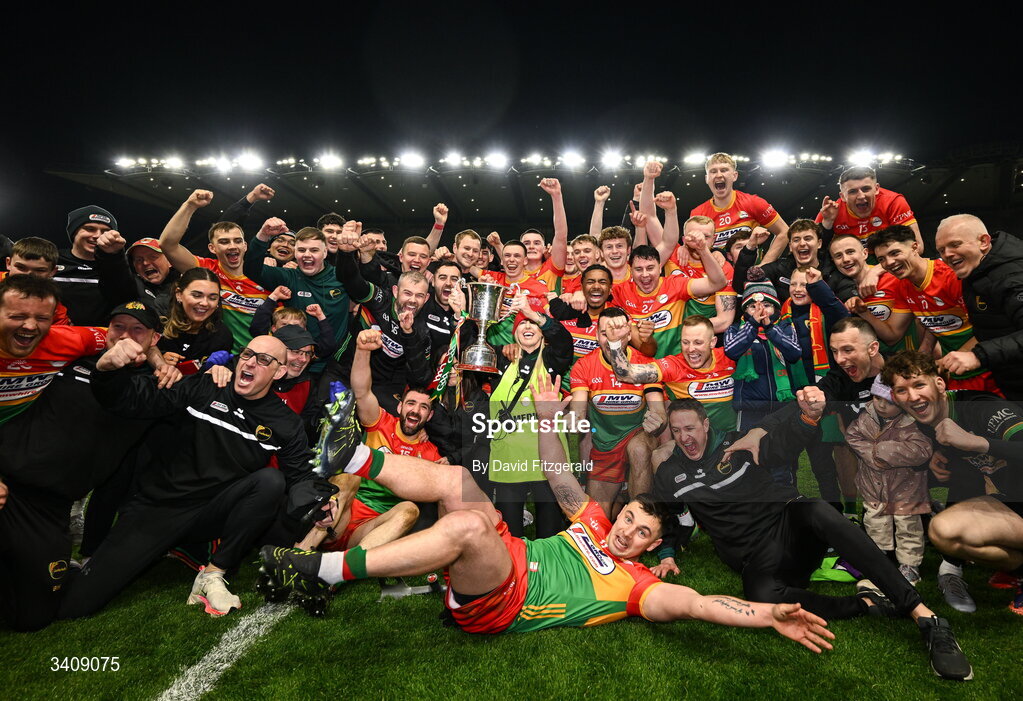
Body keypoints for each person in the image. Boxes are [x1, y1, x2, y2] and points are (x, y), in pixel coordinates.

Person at [258, 369, 836, 655]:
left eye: (641, 535)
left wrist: (763, 615)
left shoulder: (635, 588)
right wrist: (547, 414)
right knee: (461, 482)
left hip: (504, 601)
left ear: (648, 548)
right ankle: (354, 452)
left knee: (464, 525)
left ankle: (319, 570)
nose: (628, 534)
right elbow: (560, 475)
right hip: (511, 552)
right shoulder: (594, 523)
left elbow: (700, 604)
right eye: (630, 521)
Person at [646, 397, 971, 680]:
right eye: (677, 431)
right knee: (759, 595)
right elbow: (666, 516)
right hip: (756, 557)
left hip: (790, 526)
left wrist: (806, 417)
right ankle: (865, 605)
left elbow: (785, 443)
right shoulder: (670, 473)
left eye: (690, 428)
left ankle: (925, 616)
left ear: (705, 424)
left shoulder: (739, 443)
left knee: (815, 508)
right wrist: (667, 553)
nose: (685, 437)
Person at [58, 334, 327, 619]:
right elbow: (135, 399)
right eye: (247, 354)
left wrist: (319, 506)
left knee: (270, 482)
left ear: (280, 371)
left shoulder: (285, 423)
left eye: (263, 360)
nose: (250, 363)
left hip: (212, 514)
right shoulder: (206, 385)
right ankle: (177, 549)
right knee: (76, 606)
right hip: (159, 506)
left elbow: (299, 475)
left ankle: (212, 574)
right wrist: (108, 371)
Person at [881, 350, 1023, 615]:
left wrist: (977, 442)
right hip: (1011, 502)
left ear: (939, 383)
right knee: (943, 531)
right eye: (902, 390)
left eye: (919, 384)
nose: (912, 396)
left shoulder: (981, 408)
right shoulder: (921, 423)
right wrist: (936, 463)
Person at [301, 328, 438, 554]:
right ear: (400, 407)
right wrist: (363, 351)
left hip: (372, 531)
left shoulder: (430, 453)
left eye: (424, 407)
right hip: (341, 513)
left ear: (429, 417)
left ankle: (341, 571)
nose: (416, 411)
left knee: (410, 509)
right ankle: (302, 554)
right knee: (350, 474)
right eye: (411, 403)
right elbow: (362, 392)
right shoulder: (381, 422)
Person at [861, 225, 999, 392]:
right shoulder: (903, 285)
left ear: (915, 247)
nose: (889, 263)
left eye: (895, 253)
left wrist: (949, 360)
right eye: (881, 259)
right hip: (956, 376)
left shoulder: (951, 276)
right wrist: (863, 311)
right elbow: (897, 333)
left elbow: (991, 328)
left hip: (991, 368)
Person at [486, 292, 574, 539]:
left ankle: (549, 574)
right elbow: (474, 345)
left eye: (533, 323)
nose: (527, 325)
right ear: (514, 333)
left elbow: (564, 342)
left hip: (547, 457)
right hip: (508, 458)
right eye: (522, 322)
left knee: (550, 532)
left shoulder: (551, 359)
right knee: (510, 534)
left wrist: (533, 313)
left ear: (542, 331)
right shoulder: (501, 360)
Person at [570, 308, 665, 516]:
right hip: (605, 446)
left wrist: (658, 420)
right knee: (597, 519)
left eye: (619, 334)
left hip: (638, 435)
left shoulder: (644, 363)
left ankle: (639, 515)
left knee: (639, 448)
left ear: (629, 335)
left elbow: (659, 409)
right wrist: (574, 420)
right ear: (596, 336)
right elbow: (578, 408)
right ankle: (620, 498)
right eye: (605, 333)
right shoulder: (584, 366)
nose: (611, 339)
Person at [845, 376, 932, 586]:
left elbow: (922, 450)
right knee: (874, 522)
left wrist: (883, 452)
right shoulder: (866, 417)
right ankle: (879, 560)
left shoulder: (913, 424)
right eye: (877, 398)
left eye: (889, 401)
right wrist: (873, 456)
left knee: (908, 526)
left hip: (906, 488)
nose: (882, 405)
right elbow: (852, 436)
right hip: (873, 487)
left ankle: (910, 565)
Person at [159, 189, 270, 352]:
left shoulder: (265, 275)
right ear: (212, 248)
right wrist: (189, 206)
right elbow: (167, 244)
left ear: (245, 246)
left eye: (237, 241)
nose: (232, 246)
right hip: (218, 356)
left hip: (260, 358)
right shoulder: (206, 271)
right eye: (224, 242)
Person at [934, 214, 1023, 400]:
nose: (947, 254)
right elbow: (996, 329)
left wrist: (978, 356)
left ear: (983, 242)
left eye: (955, 244)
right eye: (941, 250)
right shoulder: (977, 270)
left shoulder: (1012, 275)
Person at [243, 224, 349, 375]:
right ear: (295, 253)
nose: (306, 254)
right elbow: (250, 269)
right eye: (301, 250)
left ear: (325, 252)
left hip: (334, 365)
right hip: (294, 365)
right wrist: (262, 236)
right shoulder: (289, 276)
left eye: (314, 250)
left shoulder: (342, 276)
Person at [605, 315, 738, 434]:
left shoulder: (730, 357)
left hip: (731, 439)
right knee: (660, 455)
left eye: (698, 342)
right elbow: (626, 374)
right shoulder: (674, 365)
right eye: (685, 342)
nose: (691, 349)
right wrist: (615, 342)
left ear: (713, 342)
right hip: (692, 444)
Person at [613, 237, 727, 359]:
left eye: (650, 268)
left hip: (677, 364)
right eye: (638, 269)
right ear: (631, 271)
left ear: (660, 267)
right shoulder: (620, 292)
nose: (645, 274)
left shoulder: (675, 285)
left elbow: (718, 283)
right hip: (642, 367)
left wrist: (703, 250)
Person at [692, 153, 790, 263]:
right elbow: (693, 250)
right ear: (707, 178)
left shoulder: (753, 203)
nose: (719, 175)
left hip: (749, 275)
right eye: (713, 171)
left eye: (724, 170)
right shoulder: (698, 213)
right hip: (717, 276)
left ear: (734, 176)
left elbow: (785, 231)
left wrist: (764, 265)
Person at [732, 220, 855, 302]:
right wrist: (750, 247)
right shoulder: (779, 270)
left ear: (819, 243)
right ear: (790, 246)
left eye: (808, 238)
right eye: (796, 240)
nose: (802, 243)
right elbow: (742, 285)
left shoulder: (834, 274)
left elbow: (847, 306)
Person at [54, 205, 138, 325]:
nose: (98, 235)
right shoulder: (53, 259)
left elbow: (128, 300)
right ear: (74, 232)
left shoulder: (117, 266)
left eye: (105, 231)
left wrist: (114, 255)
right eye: (90, 229)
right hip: (55, 335)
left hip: (102, 338)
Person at [816, 166, 923, 249]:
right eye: (853, 191)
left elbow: (917, 246)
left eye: (866, 189)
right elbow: (813, 250)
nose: (861, 196)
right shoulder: (830, 212)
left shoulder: (893, 202)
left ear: (876, 189)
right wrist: (827, 224)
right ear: (843, 196)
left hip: (886, 259)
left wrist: (876, 270)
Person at [157, 267, 233, 373]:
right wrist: (159, 360)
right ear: (179, 294)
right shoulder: (159, 322)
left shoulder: (222, 335)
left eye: (212, 298)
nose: (205, 303)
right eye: (197, 295)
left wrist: (212, 370)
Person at [2, 237, 71, 324]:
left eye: (39, 270)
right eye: (21, 267)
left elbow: (61, 332)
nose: (28, 275)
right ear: (8, 263)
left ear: (52, 272)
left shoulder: (53, 305)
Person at [126, 237, 178, 316]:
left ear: (169, 261)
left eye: (153, 257)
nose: (145, 263)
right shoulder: (133, 286)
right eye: (139, 260)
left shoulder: (186, 283)